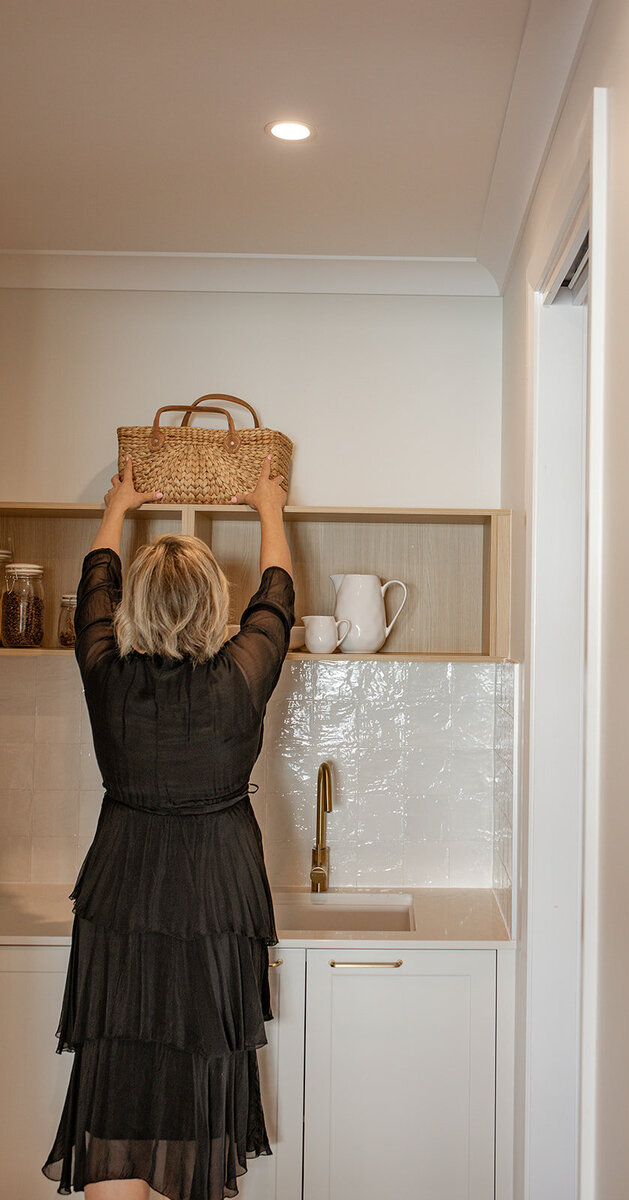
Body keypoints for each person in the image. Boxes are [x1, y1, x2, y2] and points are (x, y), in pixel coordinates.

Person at [41, 454, 295, 1200]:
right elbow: (276, 597)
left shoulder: (104, 673)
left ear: (133, 608)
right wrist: (269, 507)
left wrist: (119, 503)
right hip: (215, 896)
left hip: (124, 892)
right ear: (214, 602)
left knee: (119, 1062)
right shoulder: (240, 675)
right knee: (201, 1065)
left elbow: (94, 585)